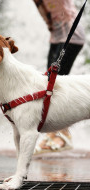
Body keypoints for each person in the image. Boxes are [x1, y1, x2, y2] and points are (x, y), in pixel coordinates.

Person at [33, 0, 85, 152]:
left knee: (53, 86)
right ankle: (56, 134)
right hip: (57, 37)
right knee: (48, 84)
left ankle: (61, 136)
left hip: (72, 36)